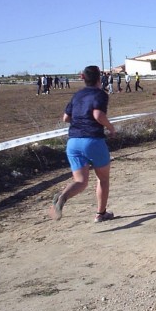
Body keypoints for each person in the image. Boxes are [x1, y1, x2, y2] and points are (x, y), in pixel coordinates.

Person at [49, 65, 116, 223]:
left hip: (73, 142)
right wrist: (111, 128)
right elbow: (98, 114)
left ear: (83, 78)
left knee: (80, 181)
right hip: (93, 140)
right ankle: (101, 213)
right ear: (99, 78)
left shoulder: (77, 95)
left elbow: (66, 118)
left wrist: (79, 122)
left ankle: (63, 196)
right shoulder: (100, 94)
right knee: (103, 179)